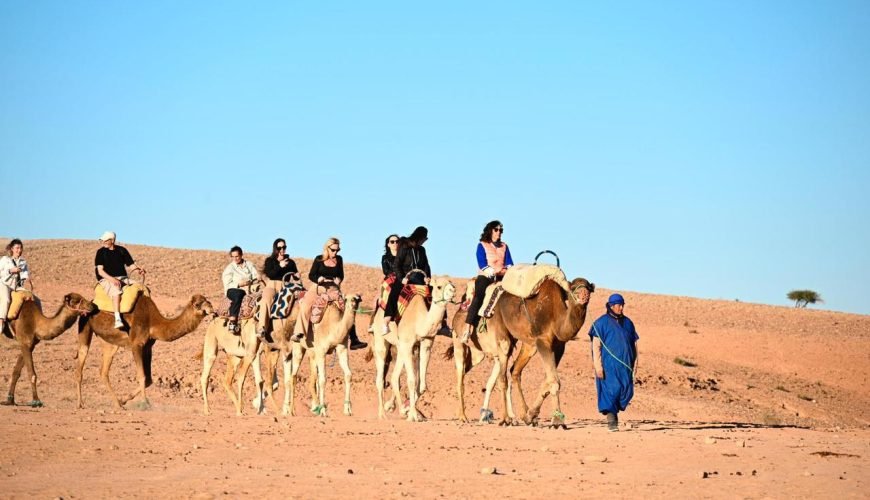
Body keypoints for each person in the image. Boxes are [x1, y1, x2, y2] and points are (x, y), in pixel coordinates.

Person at [292, 237, 367, 350]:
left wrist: (339, 280)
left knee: (347, 309)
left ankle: (354, 339)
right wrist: (319, 279)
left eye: (337, 250)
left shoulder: (339, 259)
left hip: (333, 288)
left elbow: (341, 274)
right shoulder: (319, 259)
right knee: (306, 304)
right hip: (319, 287)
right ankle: (299, 333)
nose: (335, 252)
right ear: (327, 248)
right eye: (333, 250)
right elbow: (311, 275)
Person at [589, 293, 639, 431]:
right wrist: (598, 367)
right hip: (608, 367)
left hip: (625, 366)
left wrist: (635, 365)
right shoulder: (601, 323)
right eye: (618, 305)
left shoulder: (628, 323)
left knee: (625, 392)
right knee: (611, 392)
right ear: (611, 306)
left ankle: (614, 413)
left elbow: (634, 345)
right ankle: (612, 420)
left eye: (623, 305)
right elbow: (596, 346)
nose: (621, 308)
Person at [461, 220, 514, 342]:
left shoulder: (504, 246)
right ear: (490, 231)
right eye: (496, 230)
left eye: (501, 230)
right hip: (486, 277)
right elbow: (482, 264)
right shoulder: (482, 245)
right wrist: (494, 272)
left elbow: (510, 263)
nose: (499, 232)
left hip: (502, 277)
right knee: (479, 297)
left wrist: (508, 271)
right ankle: (468, 327)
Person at [381, 226, 431, 334]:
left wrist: (427, 277)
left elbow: (426, 265)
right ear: (420, 237)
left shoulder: (422, 250)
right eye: (424, 239)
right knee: (394, 293)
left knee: (436, 293)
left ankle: (442, 324)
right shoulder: (404, 246)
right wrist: (401, 278)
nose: (424, 241)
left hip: (419, 278)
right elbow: (397, 264)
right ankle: (386, 321)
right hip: (405, 277)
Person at [95, 231, 146, 329]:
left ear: (112, 240)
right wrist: (112, 279)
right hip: (106, 279)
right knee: (116, 292)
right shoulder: (100, 252)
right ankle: (117, 319)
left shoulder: (122, 250)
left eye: (106, 240)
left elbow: (131, 265)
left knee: (142, 288)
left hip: (123, 278)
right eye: (103, 240)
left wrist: (139, 270)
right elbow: (100, 271)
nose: (103, 242)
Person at [258, 238, 300, 339]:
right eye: (279, 247)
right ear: (275, 248)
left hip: (286, 286)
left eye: (284, 247)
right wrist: (280, 266)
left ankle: (297, 330)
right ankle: (262, 328)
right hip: (272, 285)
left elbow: (294, 275)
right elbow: (270, 274)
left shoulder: (290, 262)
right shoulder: (270, 261)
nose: (282, 249)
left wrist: (297, 276)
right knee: (266, 300)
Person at [221, 245, 259, 333]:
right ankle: (232, 321)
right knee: (239, 295)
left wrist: (257, 277)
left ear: (241, 255)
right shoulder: (230, 268)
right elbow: (227, 283)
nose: (235, 258)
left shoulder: (249, 264)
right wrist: (239, 284)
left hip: (250, 288)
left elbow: (255, 274)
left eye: (237, 256)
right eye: (233, 257)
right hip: (233, 289)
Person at [367, 234, 399, 333]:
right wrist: (397, 272)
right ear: (388, 244)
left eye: (397, 241)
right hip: (390, 279)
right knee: (379, 299)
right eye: (392, 242)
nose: (395, 243)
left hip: (401, 279)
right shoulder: (385, 257)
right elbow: (386, 271)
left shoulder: (403, 256)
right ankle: (372, 323)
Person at [0, 239, 32, 335]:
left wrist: (27, 278)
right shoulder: (5, 260)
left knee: (32, 297)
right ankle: (1, 321)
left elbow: (25, 274)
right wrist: (10, 271)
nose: (19, 250)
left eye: (21, 248)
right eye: (17, 248)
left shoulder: (23, 262)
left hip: (17, 287)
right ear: (12, 249)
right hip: (4, 283)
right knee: (6, 299)